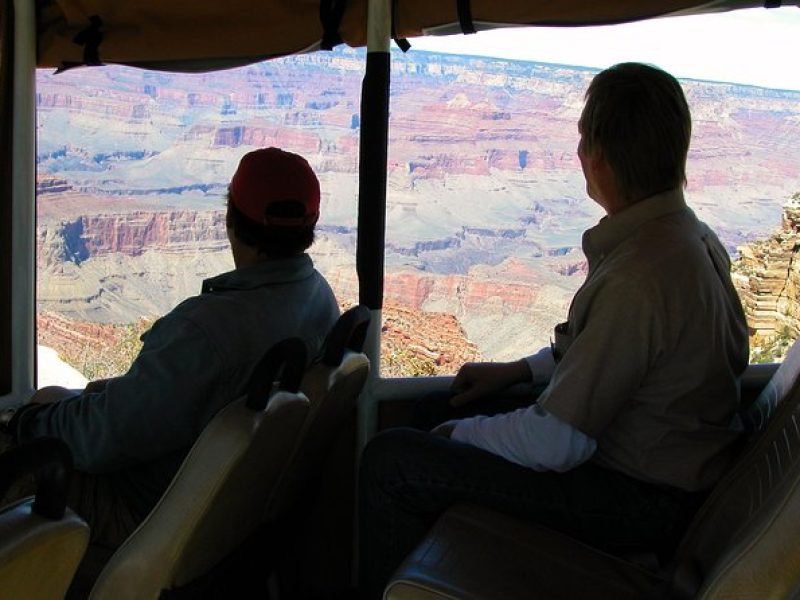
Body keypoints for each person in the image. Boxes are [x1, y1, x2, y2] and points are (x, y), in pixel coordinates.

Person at [358, 63, 750, 599]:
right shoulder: (689, 238)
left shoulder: (643, 274)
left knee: (393, 462)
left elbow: (556, 443)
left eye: (584, 141)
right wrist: (518, 372)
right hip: (664, 476)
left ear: (599, 158)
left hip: (638, 499)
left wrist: (458, 438)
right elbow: (608, 353)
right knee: (432, 409)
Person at [0, 147, 340, 549]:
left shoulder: (206, 330)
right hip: (226, 512)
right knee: (55, 398)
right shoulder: (320, 299)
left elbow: (102, 441)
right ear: (311, 222)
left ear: (230, 219)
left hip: (144, 512)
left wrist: (25, 423)